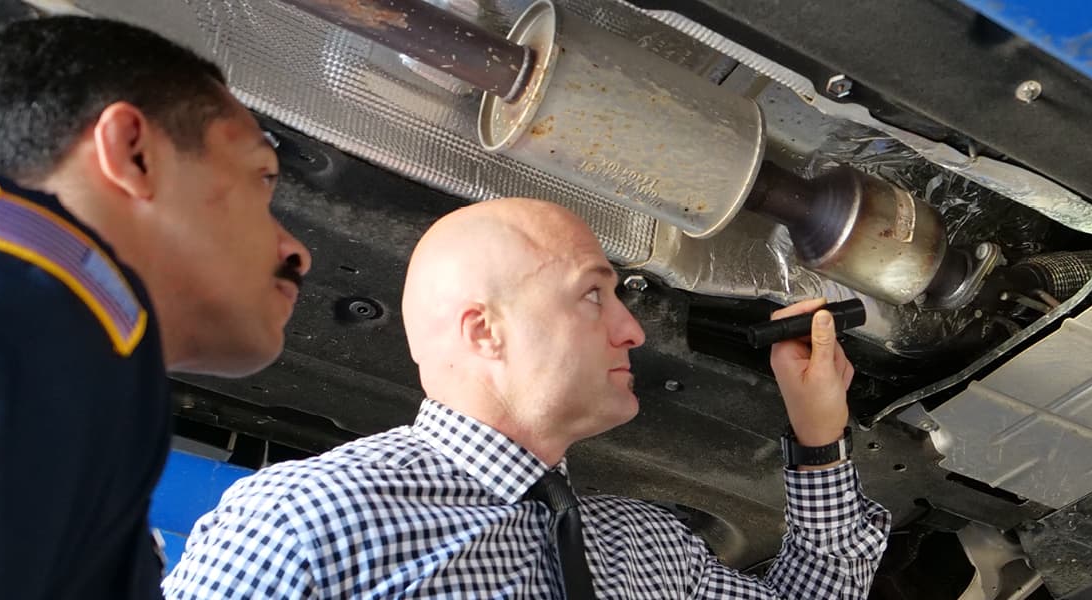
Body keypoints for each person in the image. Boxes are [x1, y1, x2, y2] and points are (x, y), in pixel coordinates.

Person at [164, 198, 891, 598]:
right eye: (594, 296)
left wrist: (819, 437)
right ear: (485, 331)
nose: (633, 330)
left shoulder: (646, 550)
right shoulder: (309, 522)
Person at [0, 16, 311, 600]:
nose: (298, 253)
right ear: (133, 153)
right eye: (260, 177)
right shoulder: (10, 317)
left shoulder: (59, 361)